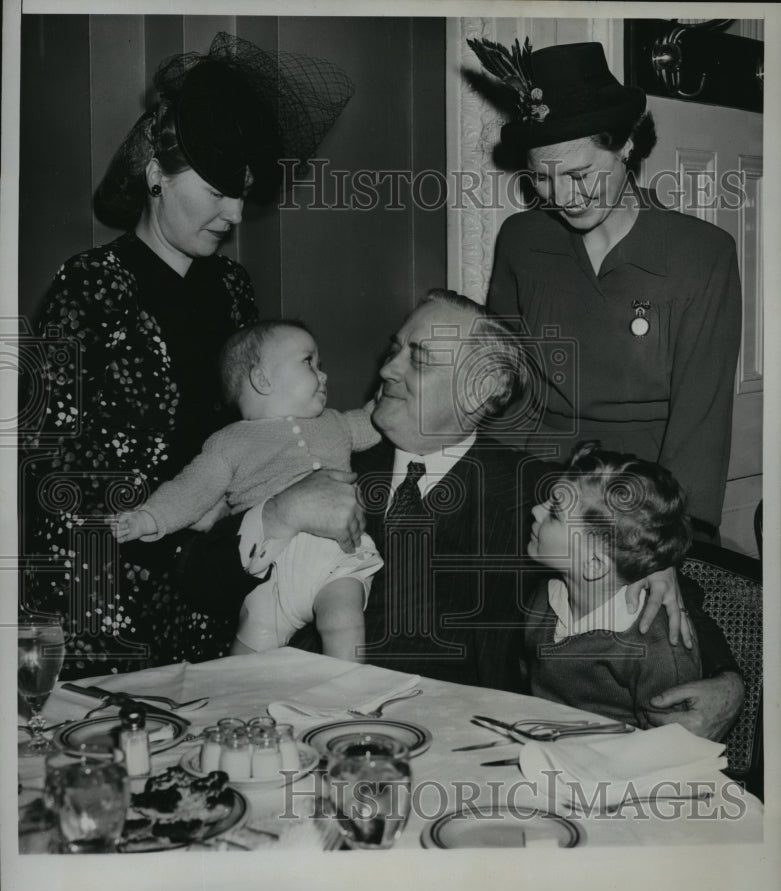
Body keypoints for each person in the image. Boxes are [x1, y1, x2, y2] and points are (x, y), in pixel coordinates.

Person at [179, 290, 743, 735]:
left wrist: (729, 682)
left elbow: (655, 586)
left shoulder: (539, 494)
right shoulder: (314, 455)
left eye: (418, 360)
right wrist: (278, 514)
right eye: (395, 349)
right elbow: (195, 583)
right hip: (300, 725)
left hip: (462, 748)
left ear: (484, 390)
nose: (388, 369)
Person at [19, 33, 354, 678]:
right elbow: (57, 480)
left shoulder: (234, 289)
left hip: (228, 584)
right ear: (155, 173)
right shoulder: (89, 287)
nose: (234, 211)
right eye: (220, 188)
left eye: (244, 192)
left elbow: (261, 433)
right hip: (111, 603)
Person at [467, 38, 741, 540]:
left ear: (626, 144)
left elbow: (702, 420)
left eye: (579, 174)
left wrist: (675, 538)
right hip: (535, 480)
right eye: (542, 180)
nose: (564, 198)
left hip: (642, 497)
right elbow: (505, 384)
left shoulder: (703, 254)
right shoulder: (521, 239)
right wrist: (484, 484)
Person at [111, 321, 382, 661]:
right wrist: (149, 517)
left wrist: (386, 395)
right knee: (250, 652)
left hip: (335, 557)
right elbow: (192, 489)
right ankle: (236, 709)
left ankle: (346, 702)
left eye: (320, 365)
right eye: (309, 362)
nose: (323, 375)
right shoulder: (230, 443)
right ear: (262, 379)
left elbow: (375, 421)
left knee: (343, 621)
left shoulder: (336, 422)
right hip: (270, 567)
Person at [524, 442, 706, 726]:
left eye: (555, 514)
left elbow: (673, 749)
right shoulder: (544, 596)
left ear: (594, 564)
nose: (536, 510)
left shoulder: (656, 648)